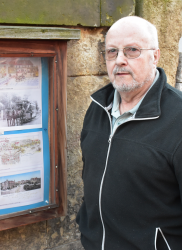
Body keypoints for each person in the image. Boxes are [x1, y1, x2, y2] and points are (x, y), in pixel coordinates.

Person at [76, 16, 182, 250]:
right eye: (112, 52)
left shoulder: (178, 118)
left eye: (132, 50)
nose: (119, 60)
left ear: (155, 56)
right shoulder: (97, 108)